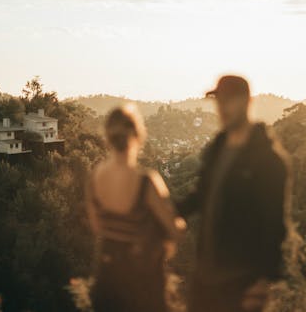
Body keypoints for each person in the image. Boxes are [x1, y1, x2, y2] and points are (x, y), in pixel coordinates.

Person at [177, 75, 291, 312]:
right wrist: (167, 211)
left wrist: (263, 280)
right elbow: (200, 196)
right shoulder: (217, 149)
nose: (222, 108)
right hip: (205, 276)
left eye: (229, 101)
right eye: (219, 101)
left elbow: (275, 225)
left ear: (247, 102)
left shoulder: (268, 160)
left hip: (242, 282)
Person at [86, 105, 186, 312]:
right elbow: (175, 230)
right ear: (138, 135)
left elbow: (98, 228)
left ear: (107, 137)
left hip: (106, 280)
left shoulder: (95, 177)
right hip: (142, 284)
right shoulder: (146, 181)